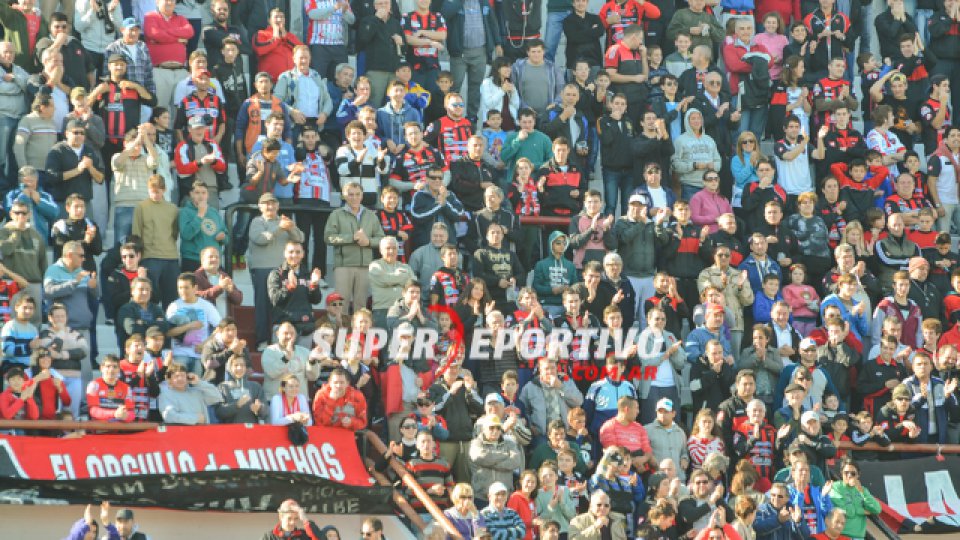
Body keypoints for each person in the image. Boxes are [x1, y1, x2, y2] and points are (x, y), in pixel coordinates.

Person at [324, 181, 384, 314]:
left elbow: (381, 239)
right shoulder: (336, 214)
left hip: (365, 266)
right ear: (344, 196)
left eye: (358, 194)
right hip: (343, 265)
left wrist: (368, 241)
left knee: (361, 305)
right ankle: (340, 334)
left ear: (362, 196)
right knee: (340, 305)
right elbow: (328, 237)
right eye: (350, 194)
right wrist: (352, 238)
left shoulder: (371, 215)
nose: (354, 197)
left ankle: (358, 335)